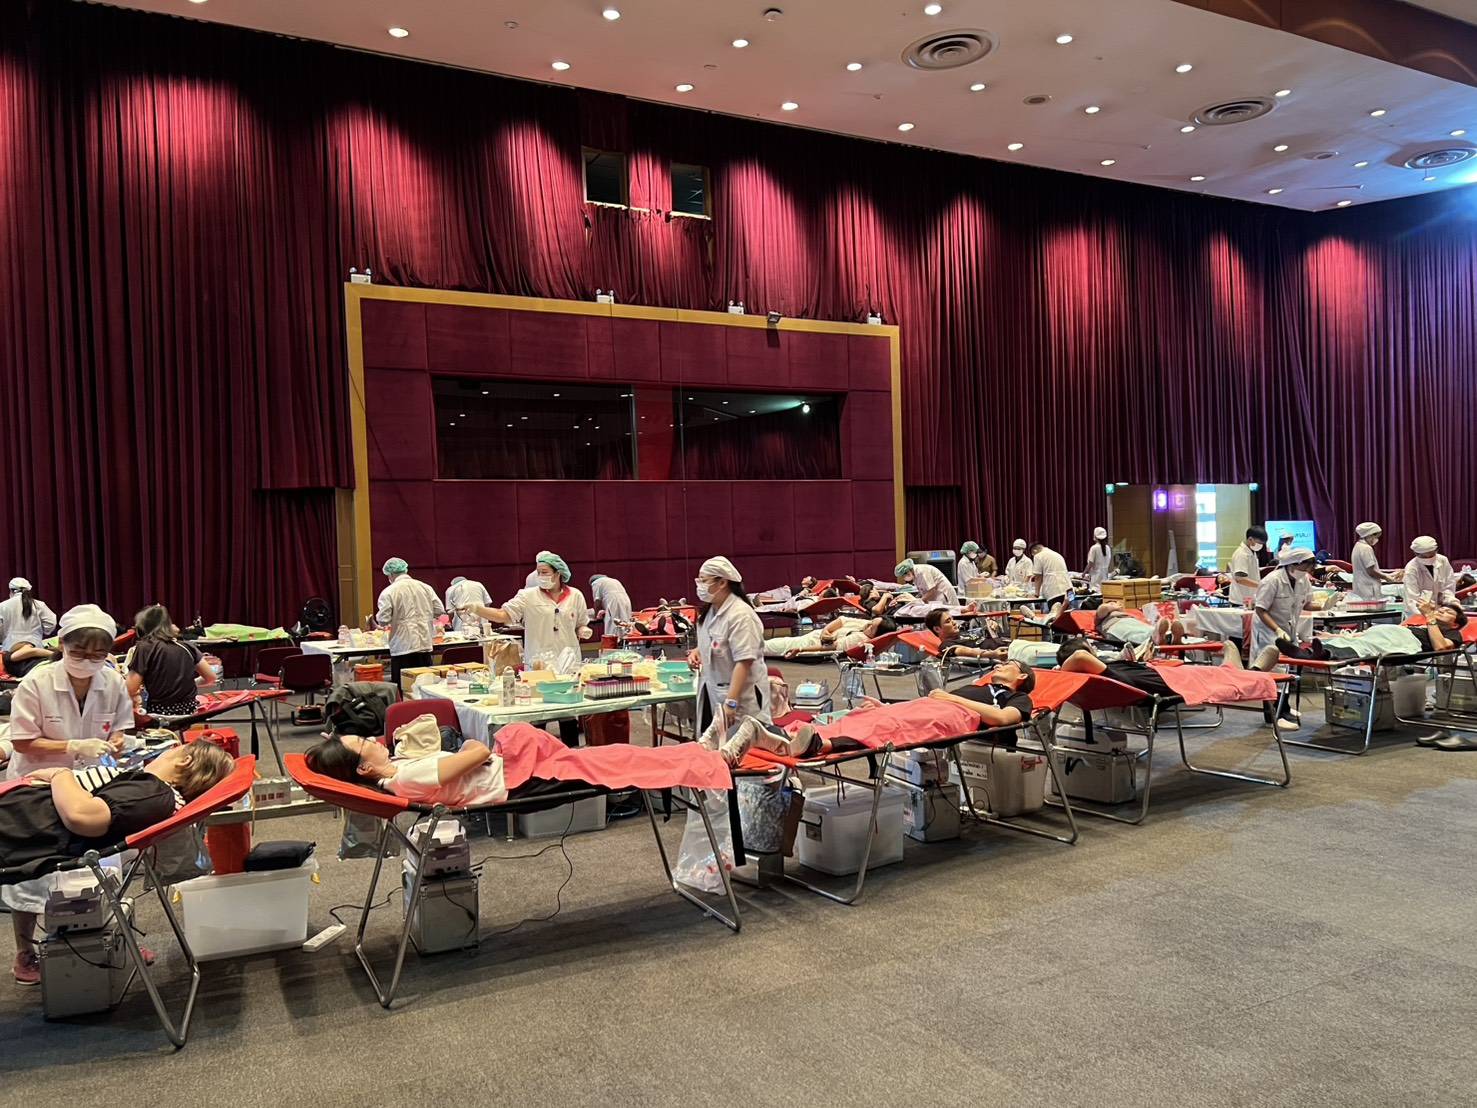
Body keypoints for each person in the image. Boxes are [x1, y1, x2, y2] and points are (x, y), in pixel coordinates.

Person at [2, 604, 135, 985]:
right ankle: (25, 952)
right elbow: (23, 741)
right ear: (62, 645)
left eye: (97, 654)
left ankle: (113, 940)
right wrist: (74, 746)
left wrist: (116, 741)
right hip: (38, 786)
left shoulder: (111, 682)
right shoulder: (37, 682)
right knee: (32, 873)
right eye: (79, 653)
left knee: (100, 864)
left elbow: (121, 728)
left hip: (91, 784)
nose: (88, 661)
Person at [460, 551, 593, 746]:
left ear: (558, 574)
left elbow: (580, 623)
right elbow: (503, 615)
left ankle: (571, 754)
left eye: (545, 572)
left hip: (568, 663)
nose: (541, 576)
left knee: (568, 713)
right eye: (538, 572)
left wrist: (583, 630)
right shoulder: (528, 596)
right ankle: (536, 756)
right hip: (539, 663)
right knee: (538, 712)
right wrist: (477, 609)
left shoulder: (576, 596)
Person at [689, 556, 769, 733]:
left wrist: (731, 702)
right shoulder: (709, 611)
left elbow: (745, 661)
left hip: (741, 699)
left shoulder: (741, 615)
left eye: (704, 581)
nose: (700, 586)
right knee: (717, 742)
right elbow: (716, 642)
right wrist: (698, 651)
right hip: (713, 690)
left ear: (722, 582)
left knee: (743, 743)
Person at [126, 605, 216, 718]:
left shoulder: (145, 647)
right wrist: (188, 684)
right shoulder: (187, 646)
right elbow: (211, 677)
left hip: (160, 714)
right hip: (190, 712)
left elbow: (131, 688)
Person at [373, 558, 445, 687]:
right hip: (424, 645)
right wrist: (425, 616)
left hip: (402, 647)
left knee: (404, 688)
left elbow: (383, 620)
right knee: (424, 686)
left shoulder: (389, 591)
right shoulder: (425, 587)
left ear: (391, 574)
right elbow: (439, 610)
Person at [0, 578, 59, 678]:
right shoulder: (39, 605)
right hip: (36, 648)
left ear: (11, 591)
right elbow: (51, 623)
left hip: (10, 649)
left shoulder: (3, 606)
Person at [764, 615, 897, 658]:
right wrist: (825, 631)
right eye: (871, 622)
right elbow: (841, 620)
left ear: (876, 635)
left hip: (812, 644)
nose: (868, 625)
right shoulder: (865, 624)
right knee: (775, 643)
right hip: (815, 635)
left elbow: (831, 647)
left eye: (872, 628)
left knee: (772, 646)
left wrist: (800, 649)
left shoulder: (861, 640)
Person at [1402, 535, 1458, 619]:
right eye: (1424, 556)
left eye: (1432, 555)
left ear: (1436, 550)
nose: (1428, 558)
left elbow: (1448, 586)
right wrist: (1428, 615)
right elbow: (1412, 600)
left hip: (1438, 611)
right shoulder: (1411, 569)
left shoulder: (1443, 560)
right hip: (1417, 614)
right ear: (1416, 553)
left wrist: (1453, 604)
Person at [1348, 523, 1399, 602]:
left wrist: (1388, 574)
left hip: (1361, 587)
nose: (1376, 540)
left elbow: (1368, 569)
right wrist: (1386, 577)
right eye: (1376, 537)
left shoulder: (1358, 546)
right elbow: (1371, 571)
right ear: (1370, 535)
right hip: (1368, 588)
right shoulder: (1366, 548)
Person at [1029, 542, 1072, 616]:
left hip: (1055, 591)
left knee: (1056, 618)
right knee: (1067, 617)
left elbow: (1038, 577)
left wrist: (1036, 594)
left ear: (1034, 551)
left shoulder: (1038, 556)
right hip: (1068, 590)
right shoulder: (1056, 554)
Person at [1228, 527, 1267, 606]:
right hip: (1240, 601)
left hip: (1250, 599)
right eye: (1259, 543)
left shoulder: (1252, 552)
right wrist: (1261, 585)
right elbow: (1240, 579)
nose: (1261, 546)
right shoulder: (1241, 554)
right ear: (1250, 539)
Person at [894, 559, 958, 606]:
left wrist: (919, 601)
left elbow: (931, 590)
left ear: (908, 571)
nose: (904, 578)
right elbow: (922, 590)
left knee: (950, 613)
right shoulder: (915, 575)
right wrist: (917, 599)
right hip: (936, 596)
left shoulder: (922, 571)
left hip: (943, 593)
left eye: (904, 575)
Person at [589, 574, 633, 642]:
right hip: (626, 600)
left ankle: (614, 645)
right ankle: (626, 642)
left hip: (614, 601)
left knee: (613, 625)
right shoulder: (614, 580)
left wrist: (595, 616)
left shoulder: (596, 582)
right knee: (625, 623)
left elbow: (597, 601)